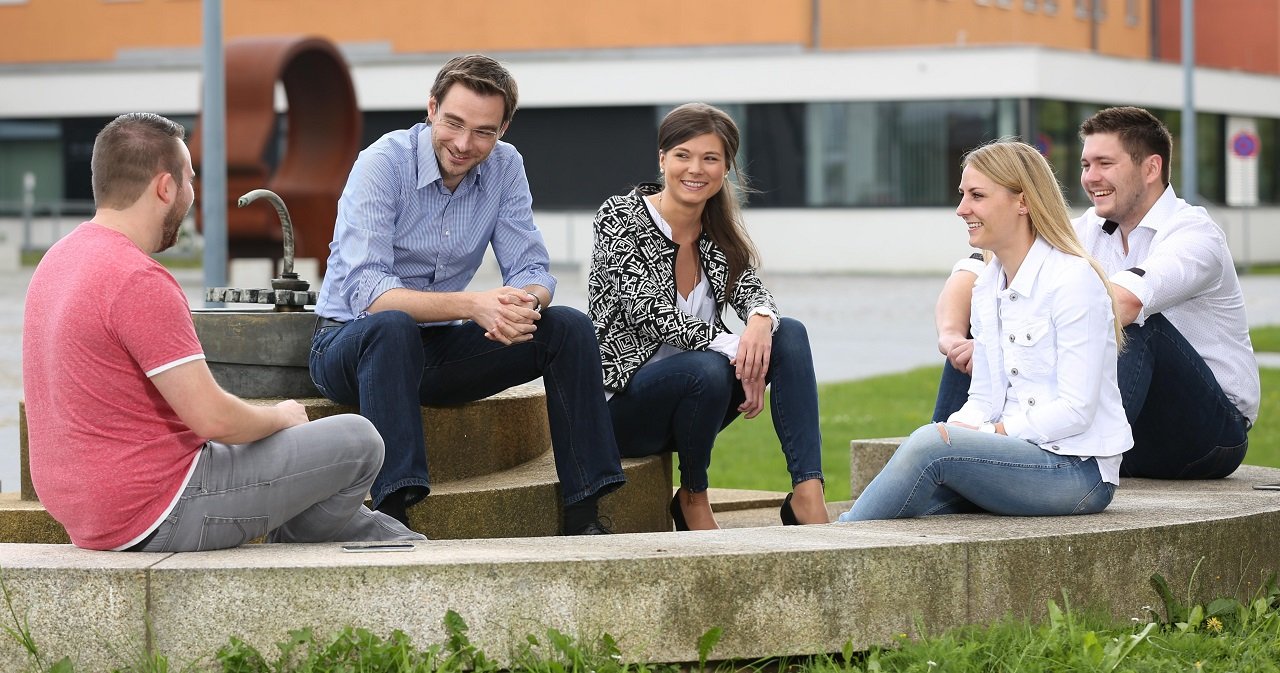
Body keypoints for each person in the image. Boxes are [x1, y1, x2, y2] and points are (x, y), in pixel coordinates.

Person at [22, 112, 422, 551]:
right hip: (161, 508)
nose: (193, 195)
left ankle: (398, 542)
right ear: (165, 187)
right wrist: (282, 418)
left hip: (93, 512)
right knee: (359, 440)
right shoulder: (137, 279)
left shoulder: (57, 260)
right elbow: (212, 419)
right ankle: (332, 533)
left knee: (358, 513)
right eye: (190, 179)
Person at [309, 54, 625, 535]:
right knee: (392, 326)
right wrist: (474, 304)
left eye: (484, 131)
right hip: (351, 345)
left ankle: (585, 513)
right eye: (454, 122)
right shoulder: (381, 164)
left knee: (569, 327)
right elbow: (370, 294)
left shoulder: (505, 166)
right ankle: (391, 515)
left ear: (503, 129)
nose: (464, 143)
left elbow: (531, 268)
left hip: (436, 350)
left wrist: (523, 305)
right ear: (431, 109)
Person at [929, 107, 1259, 479]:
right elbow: (973, 270)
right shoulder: (1087, 229)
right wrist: (955, 337)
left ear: (1150, 169)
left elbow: (1125, 302)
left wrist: (1005, 341)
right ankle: (943, 455)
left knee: (1133, 327)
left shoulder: (1195, 235)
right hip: (1123, 425)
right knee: (989, 319)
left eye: (1104, 163)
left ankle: (1048, 469)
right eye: (1086, 165)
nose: (1090, 177)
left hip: (1207, 433)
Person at [839, 139, 1132, 521]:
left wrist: (989, 435)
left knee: (930, 446)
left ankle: (827, 545)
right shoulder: (986, 286)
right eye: (962, 195)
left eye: (977, 195)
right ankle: (837, 545)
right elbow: (983, 398)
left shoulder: (1073, 280)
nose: (962, 209)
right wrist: (959, 429)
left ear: (1022, 202)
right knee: (910, 506)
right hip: (1017, 458)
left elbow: (1076, 410)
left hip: (1078, 470)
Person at [588, 103, 827, 530]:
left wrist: (757, 320)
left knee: (788, 334)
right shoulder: (620, 218)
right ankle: (693, 496)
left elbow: (753, 292)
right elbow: (649, 310)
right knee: (708, 365)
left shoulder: (715, 231)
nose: (695, 168)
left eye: (710, 158)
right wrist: (744, 354)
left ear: (726, 168)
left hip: (698, 401)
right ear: (662, 159)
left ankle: (807, 494)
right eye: (683, 155)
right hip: (621, 409)